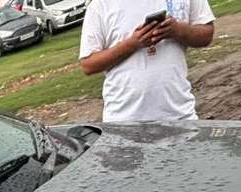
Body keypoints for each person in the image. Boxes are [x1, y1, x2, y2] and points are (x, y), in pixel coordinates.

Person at [79, 0, 216, 123]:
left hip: (180, 116)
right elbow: (88, 65)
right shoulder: (100, 5)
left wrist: (177, 30)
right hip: (125, 122)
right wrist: (132, 44)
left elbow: (206, 34)